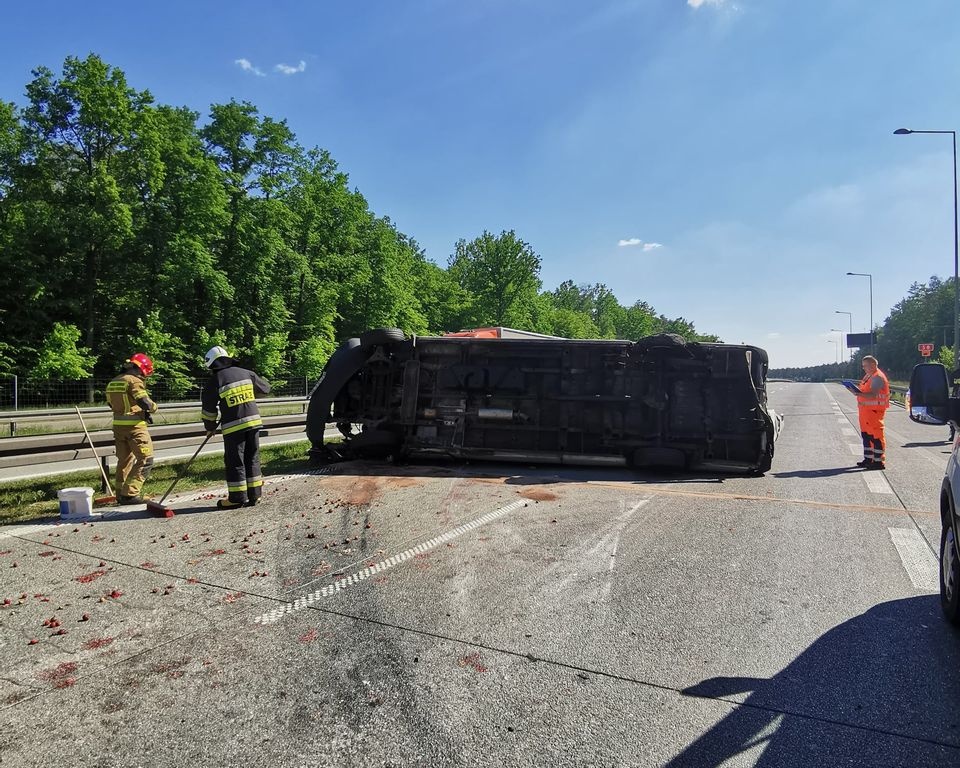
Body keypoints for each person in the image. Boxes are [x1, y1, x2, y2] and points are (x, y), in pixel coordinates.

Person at [201, 346, 271, 509]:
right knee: (252, 457)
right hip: (253, 423)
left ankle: (237, 498)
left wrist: (210, 427)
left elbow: (208, 410)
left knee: (235, 462)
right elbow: (266, 388)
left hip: (234, 427)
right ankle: (255, 495)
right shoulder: (246, 373)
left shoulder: (215, 380)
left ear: (213, 365)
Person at [105, 353, 159, 504]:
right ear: (142, 369)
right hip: (135, 428)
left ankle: (120, 494)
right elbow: (145, 402)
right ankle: (130, 494)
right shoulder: (134, 381)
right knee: (146, 459)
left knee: (124, 460)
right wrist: (154, 408)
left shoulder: (114, 381)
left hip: (118, 427)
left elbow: (111, 404)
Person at [852, 355, 890, 470]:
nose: (864, 368)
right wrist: (855, 391)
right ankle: (868, 459)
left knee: (876, 436)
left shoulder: (877, 377)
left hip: (874, 412)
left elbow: (873, 394)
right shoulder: (869, 376)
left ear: (873, 365)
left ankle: (878, 462)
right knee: (867, 436)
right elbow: (865, 391)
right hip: (866, 412)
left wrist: (858, 393)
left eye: (865, 366)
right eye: (863, 366)